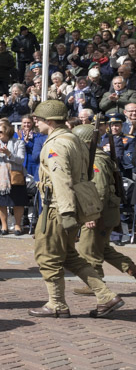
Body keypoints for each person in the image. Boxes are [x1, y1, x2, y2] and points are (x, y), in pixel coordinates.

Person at [28, 99, 123, 318]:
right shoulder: (74, 139)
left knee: (47, 256)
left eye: (39, 119)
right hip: (69, 206)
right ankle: (106, 296)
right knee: (70, 255)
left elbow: (61, 179)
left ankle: (56, 304)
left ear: (50, 121)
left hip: (57, 208)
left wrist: (67, 211)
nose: (35, 122)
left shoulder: (56, 144)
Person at [70, 124, 136, 296]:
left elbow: (99, 190)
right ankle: (130, 268)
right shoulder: (93, 157)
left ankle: (95, 283)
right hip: (104, 212)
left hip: (98, 213)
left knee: (87, 248)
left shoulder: (96, 160)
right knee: (102, 248)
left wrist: (92, 214)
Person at [0, 119, 27, 235]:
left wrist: (9, 154)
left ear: (7, 131)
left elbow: (21, 160)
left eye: (0, 132)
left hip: (15, 177)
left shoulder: (19, 143)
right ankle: (4, 226)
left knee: (18, 202)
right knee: (1, 202)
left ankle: (17, 225)